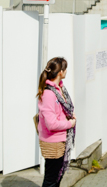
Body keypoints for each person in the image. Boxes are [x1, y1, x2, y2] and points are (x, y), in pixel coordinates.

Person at [36, 57, 76, 187]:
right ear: (60, 72)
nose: (66, 71)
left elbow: (61, 111)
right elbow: (51, 124)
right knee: (51, 180)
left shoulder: (59, 89)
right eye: (65, 69)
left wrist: (69, 116)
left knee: (56, 178)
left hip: (60, 139)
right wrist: (70, 124)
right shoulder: (49, 93)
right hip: (52, 142)